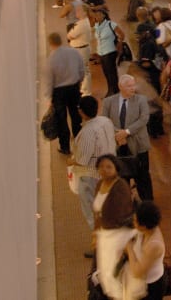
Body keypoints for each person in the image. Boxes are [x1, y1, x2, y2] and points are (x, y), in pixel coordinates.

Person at [92, 154, 140, 300]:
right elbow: (98, 212)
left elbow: (123, 215)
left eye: (108, 167)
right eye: (101, 167)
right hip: (105, 237)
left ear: (116, 169)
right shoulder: (100, 184)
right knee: (107, 276)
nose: (104, 170)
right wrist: (96, 232)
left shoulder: (120, 187)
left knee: (118, 277)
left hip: (119, 237)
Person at [69, 95, 117, 236]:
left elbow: (82, 160)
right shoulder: (105, 121)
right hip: (110, 170)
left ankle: (100, 244)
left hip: (92, 176)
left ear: (81, 112)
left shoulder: (88, 132)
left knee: (92, 211)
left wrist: (70, 161)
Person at [103, 74, 154, 201]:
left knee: (142, 176)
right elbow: (105, 120)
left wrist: (126, 132)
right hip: (118, 144)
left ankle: (147, 201)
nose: (133, 88)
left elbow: (144, 119)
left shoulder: (141, 100)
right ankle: (125, 201)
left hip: (138, 145)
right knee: (122, 175)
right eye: (129, 86)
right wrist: (118, 134)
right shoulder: (109, 102)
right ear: (120, 87)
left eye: (133, 85)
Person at [47, 32, 85, 155]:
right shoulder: (73, 52)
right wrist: (79, 82)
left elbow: (50, 80)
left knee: (61, 120)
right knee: (76, 115)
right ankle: (80, 142)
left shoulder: (51, 58)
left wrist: (49, 97)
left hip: (59, 92)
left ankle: (65, 147)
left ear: (51, 43)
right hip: (74, 88)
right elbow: (81, 69)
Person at [125, 201, 167, 300]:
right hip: (143, 283)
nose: (133, 223)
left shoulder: (154, 245)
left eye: (135, 221)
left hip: (151, 287)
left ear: (143, 225)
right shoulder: (147, 230)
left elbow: (137, 272)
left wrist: (129, 248)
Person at [93, 8, 125, 96]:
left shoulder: (111, 24)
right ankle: (111, 89)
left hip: (110, 51)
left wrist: (119, 43)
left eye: (99, 14)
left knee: (111, 72)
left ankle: (114, 90)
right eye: (96, 15)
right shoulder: (96, 26)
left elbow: (122, 34)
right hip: (101, 52)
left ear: (104, 15)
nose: (97, 16)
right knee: (106, 72)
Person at [65, 4, 93, 95]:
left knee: (84, 71)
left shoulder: (82, 24)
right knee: (83, 70)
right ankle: (84, 89)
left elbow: (70, 35)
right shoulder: (83, 22)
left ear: (84, 12)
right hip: (81, 49)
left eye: (78, 11)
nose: (76, 12)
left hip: (81, 49)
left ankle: (86, 91)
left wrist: (69, 35)